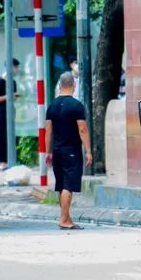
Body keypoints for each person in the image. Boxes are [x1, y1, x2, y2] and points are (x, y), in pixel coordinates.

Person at [45, 72, 92, 230]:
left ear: (59, 86)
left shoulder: (52, 106)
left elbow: (48, 131)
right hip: (72, 151)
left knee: (61, 185)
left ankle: (67, 217)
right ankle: (63, 219)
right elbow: (83, 129)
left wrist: (48, 152)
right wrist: (88, 150)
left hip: (57, 151)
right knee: (68, 185)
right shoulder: (76, 106)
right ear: (74, 85)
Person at [0, 59, 20, 170]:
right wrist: (8, 96)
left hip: (9, 112)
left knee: (9, 136)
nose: (16, 70)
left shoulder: (13, 82)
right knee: (1, 136)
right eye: (14, 67)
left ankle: (8, 160)